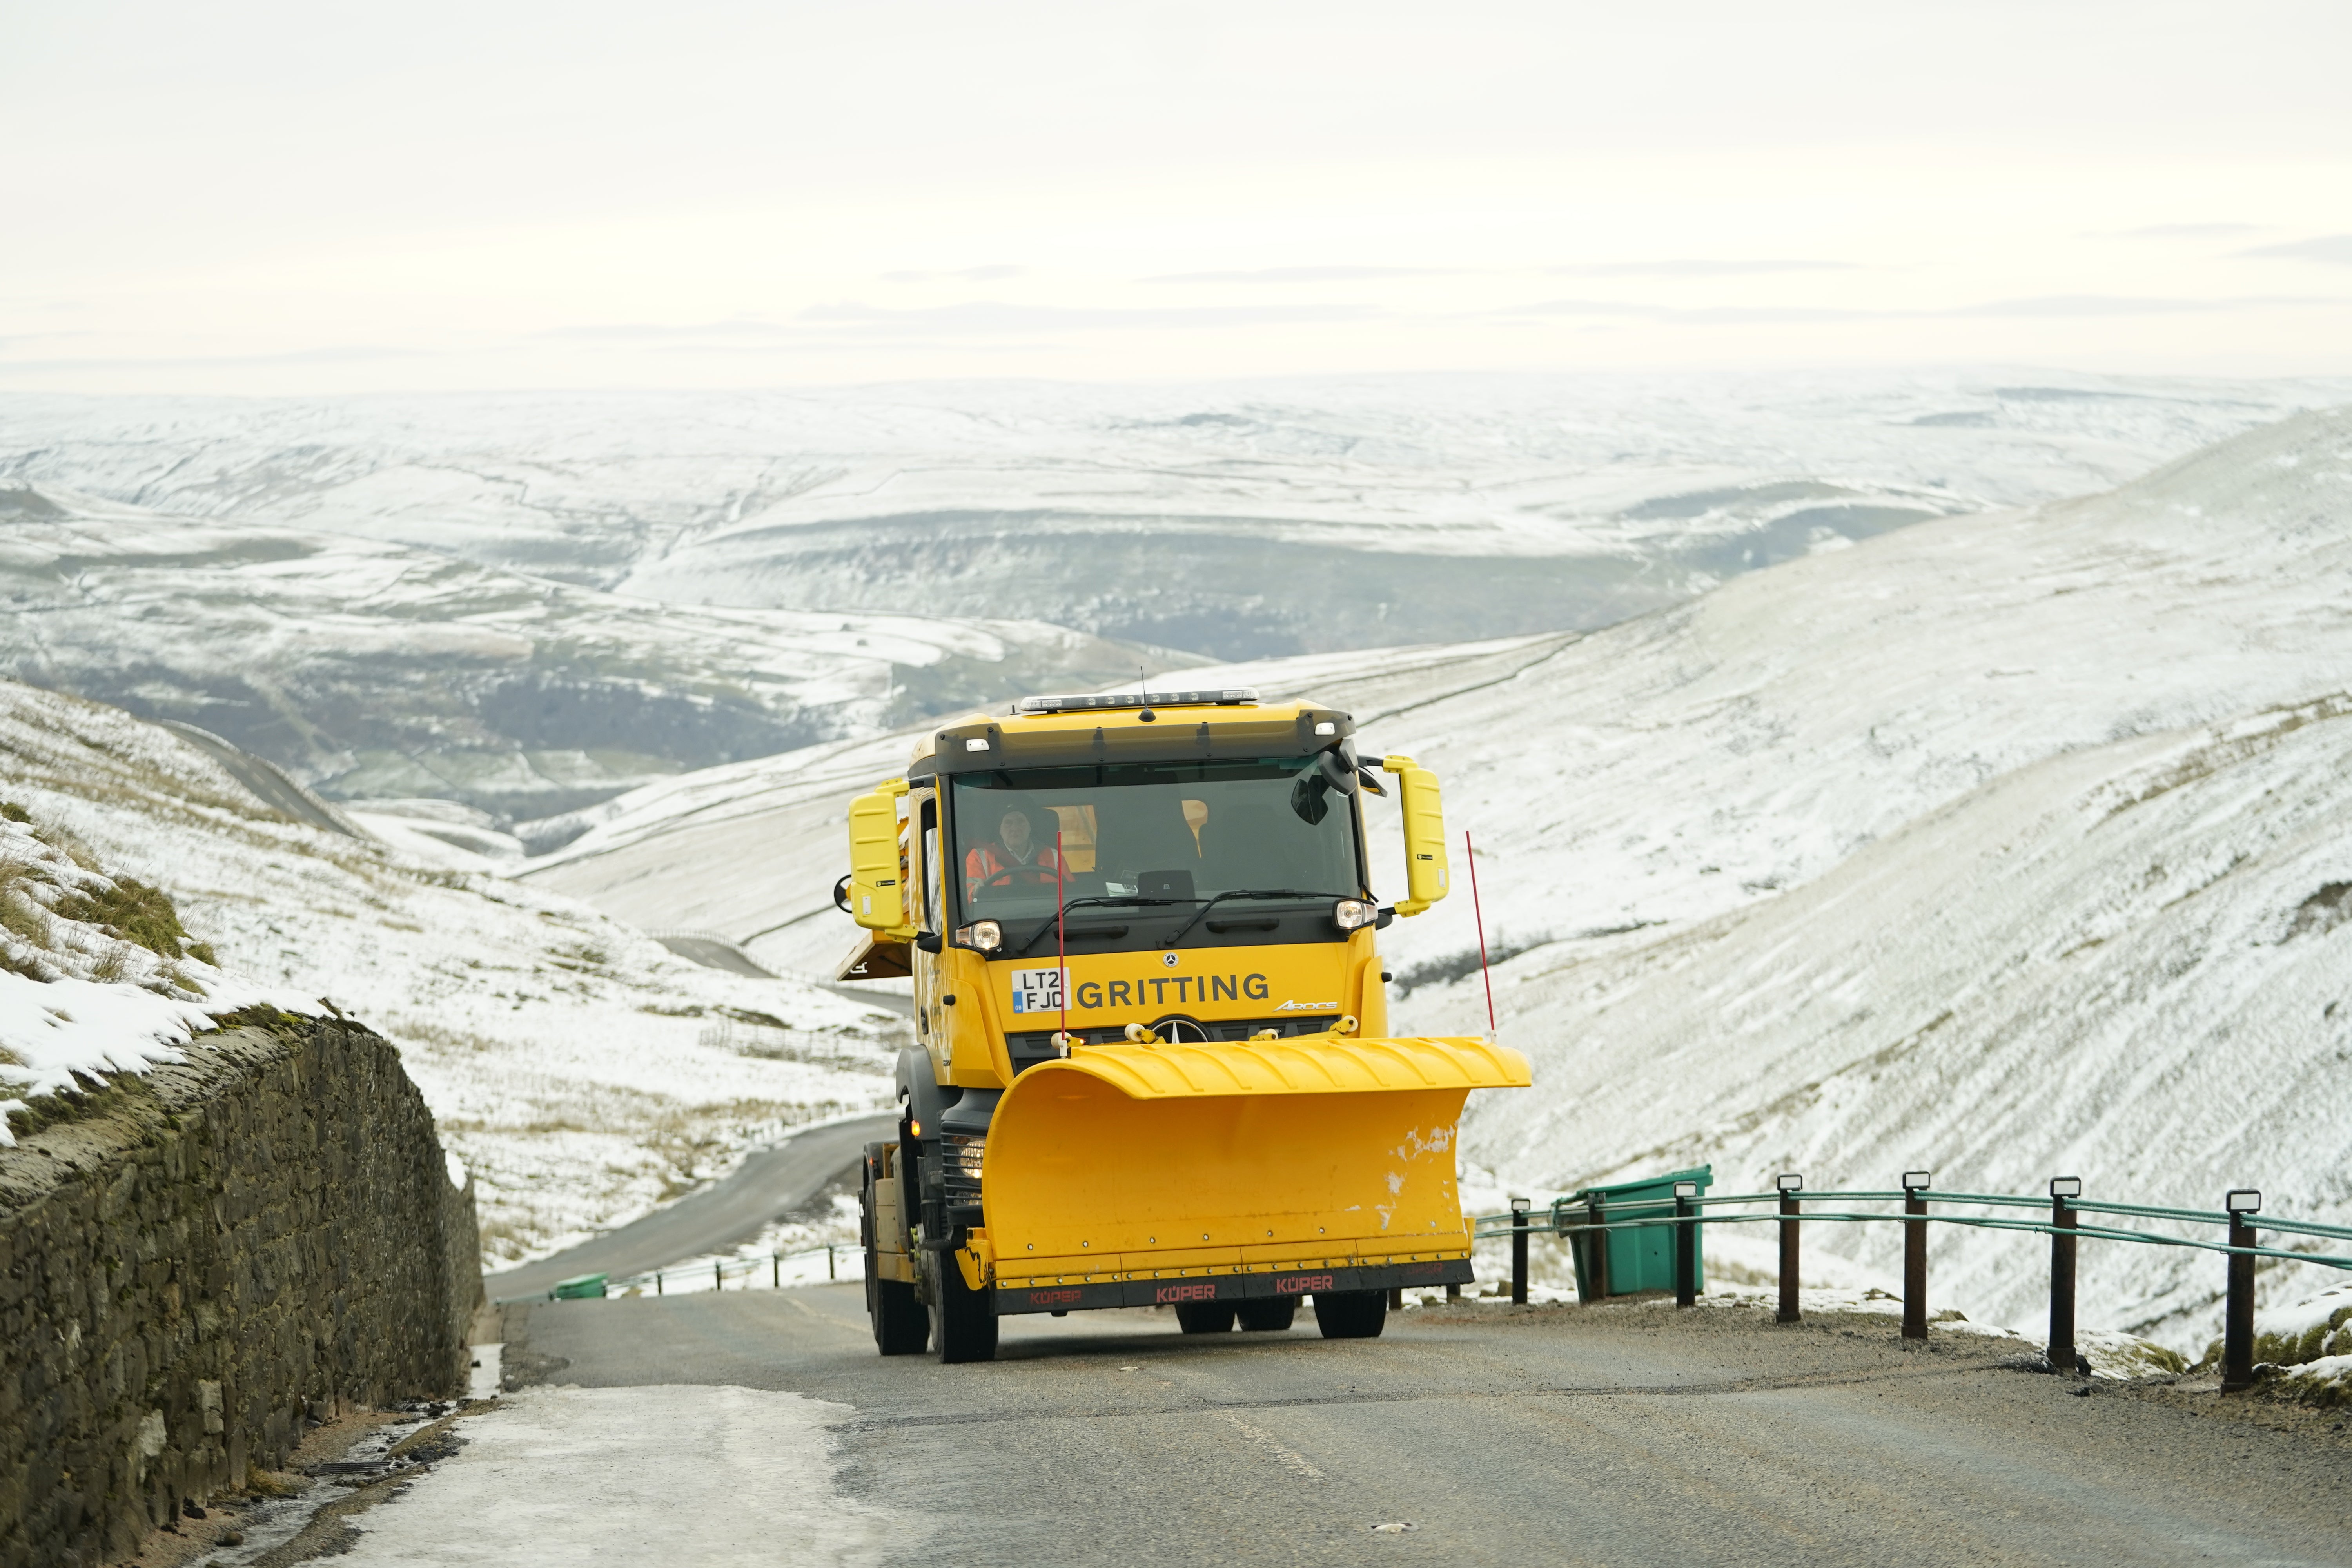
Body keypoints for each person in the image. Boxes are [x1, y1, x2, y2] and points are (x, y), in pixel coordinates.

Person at [964, 802, 1063, 901]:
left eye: (1021, 822)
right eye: (1008, 823)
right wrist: (978, 891)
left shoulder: (1055, 857)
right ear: (1000, 830)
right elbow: (971, 902)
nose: (1015, 828)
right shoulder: (979, 857)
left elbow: (1070, 892)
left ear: (1030, 828)